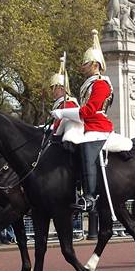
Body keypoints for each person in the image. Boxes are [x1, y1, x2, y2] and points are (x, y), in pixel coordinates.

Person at [51, 30, 116, 212]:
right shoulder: (90, 84)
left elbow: (88, 111)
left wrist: (63, 114)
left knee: (87, 149)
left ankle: (90, 196)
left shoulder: (101, 84)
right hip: (89, 125)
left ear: (95, 64)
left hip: (98, 127)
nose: (82, 66)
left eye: (85, 63)